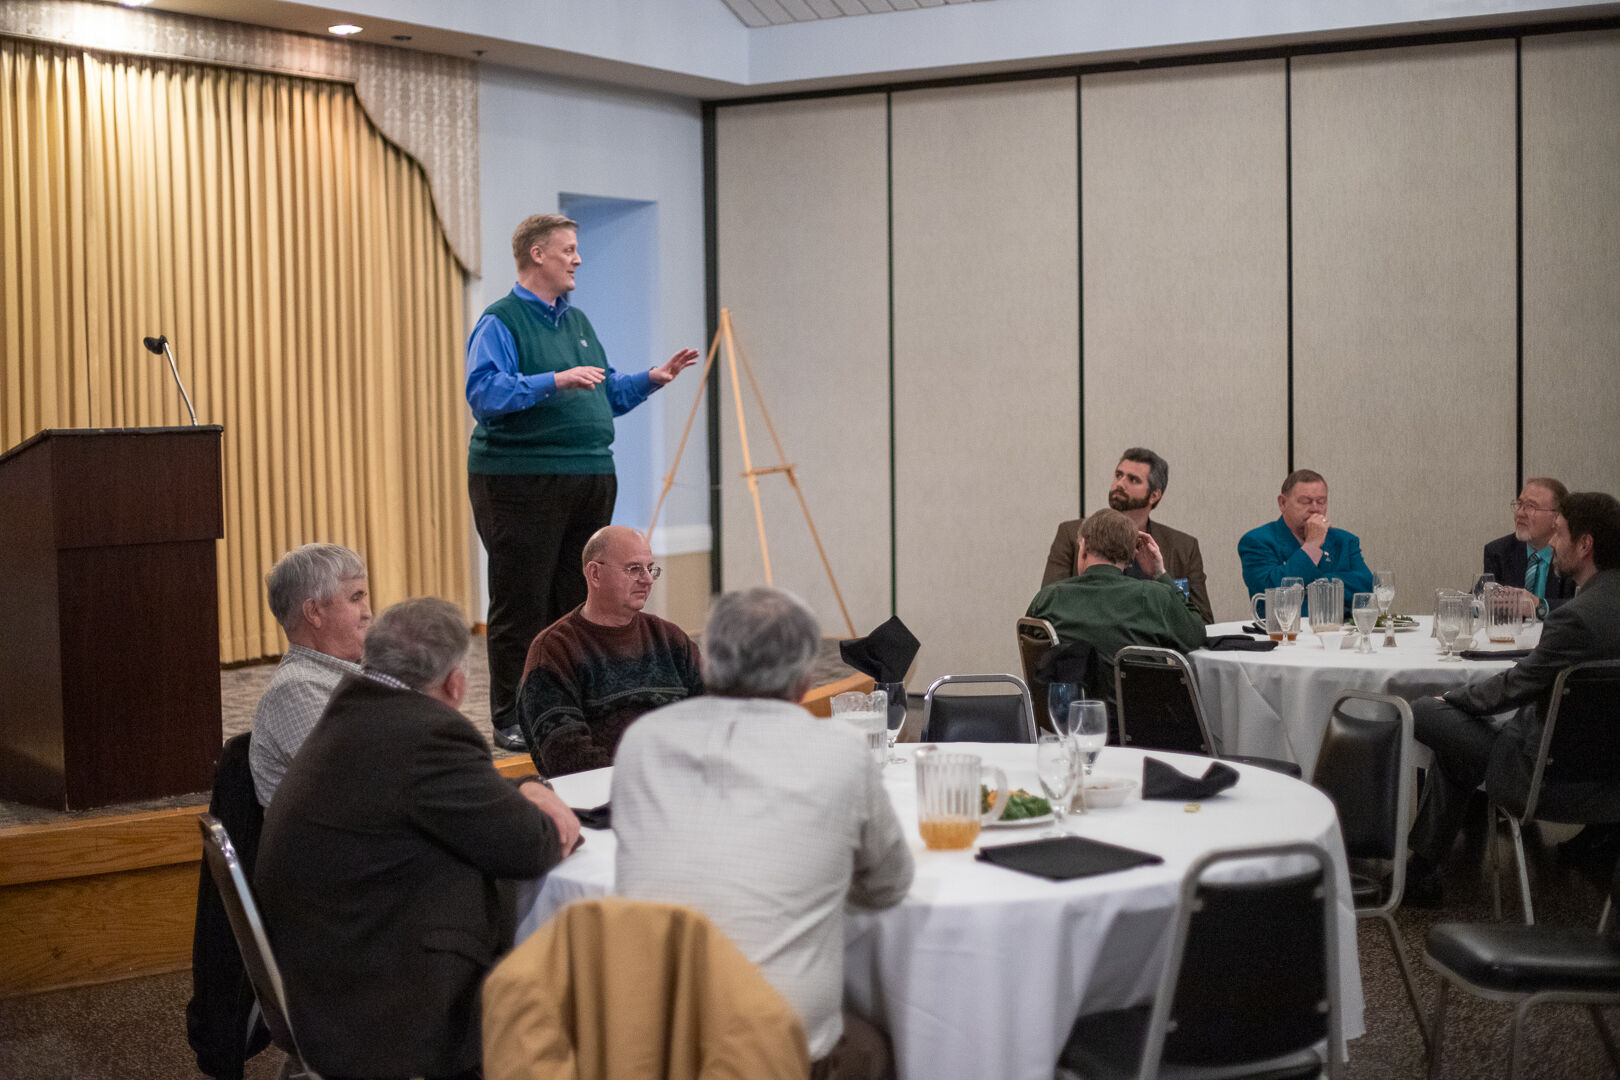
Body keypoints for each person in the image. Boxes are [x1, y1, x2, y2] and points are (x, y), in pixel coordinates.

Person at [256, 598, 580, 1080]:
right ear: (455, 683)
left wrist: (521, 789)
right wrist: (539, 792)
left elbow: (463, 798)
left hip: (326, 965)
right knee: (572, 981)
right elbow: (533, 845)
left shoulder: (356, 708)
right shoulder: (426, 733)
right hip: (380, 998)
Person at [612, 587, 914, 1078]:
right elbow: (890, 885)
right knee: (887, 1043)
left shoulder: (643, 742)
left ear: (708, 664)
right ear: (805, 678)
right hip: (775, 1055)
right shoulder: (840, 752)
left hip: (650, 1047)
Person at [466, 213, 700, 753]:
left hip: (589, 473)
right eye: (568, 249)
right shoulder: (500, 320)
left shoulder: (579, 322)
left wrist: (650, 380)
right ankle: (512, 715)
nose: (578, 259)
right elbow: (485, 393)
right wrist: (553, 380)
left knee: (577, 597)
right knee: (523, 600)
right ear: (537, 254)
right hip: (521, 479)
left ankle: (566, 705)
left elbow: (604, 392)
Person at [1405, 492, 1620, 907]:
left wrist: (1451, 697)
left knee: (1425, 711)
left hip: (1547, 779)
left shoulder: (1574, 618)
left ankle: (1421, 870)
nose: (1551, 543)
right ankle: (1421, 870)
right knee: (1459, 742)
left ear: (1585, 545)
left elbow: (1515, 687)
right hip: (1611, 778)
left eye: (1559, 534)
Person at [518, 525, 703, 777]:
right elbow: (566, 756)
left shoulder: (670, 639)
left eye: (650, 569)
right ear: (594, 574)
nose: (647, 579)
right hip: (606, 793)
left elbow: (715, 712)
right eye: (634, 569)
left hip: (684, 781)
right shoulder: (555, 650)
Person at [1027, 508, 1206, 703]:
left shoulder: (1049, 598)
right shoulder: (1154, 596)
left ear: (1083, 546)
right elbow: (1195, 634)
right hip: (1140, 717)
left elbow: (1033, 656)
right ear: (1131, 556)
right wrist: (1160, 573)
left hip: (1070, 716)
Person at [248, 543, 371, 806]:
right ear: (314, 612)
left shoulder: (357, 674)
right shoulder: (297, 690)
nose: (367, 612)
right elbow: (356, 787)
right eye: (355, 598)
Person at [1042, 447, 1213, 622]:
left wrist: (1160, 575)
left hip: (1156, 637)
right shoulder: (1072, 534)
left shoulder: (1183, 547)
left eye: (1133, 479)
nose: (1120, 484)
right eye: (1118, 475)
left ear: (1154, 495)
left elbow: (1203, 621)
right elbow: (1049, 607)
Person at [1238, 468, 1374, 601]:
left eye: (1321, 501)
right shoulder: (1257, 541)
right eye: (1305, 501)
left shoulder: (1344, 540)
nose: (1315, 508)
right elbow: (1271, 591)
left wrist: (1318, 585)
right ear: (1283, 503)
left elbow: (1366, 587)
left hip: (1339, 617)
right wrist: (1312, 545)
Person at [1484, 477, 1578, 617]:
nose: (1520, 513)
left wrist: (1539, 606)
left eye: (1531, 506)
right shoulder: (1499, 551)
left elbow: (1584, 605)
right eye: (1519, 504)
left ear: (1557, 516)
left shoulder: (1573, 554)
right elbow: (1482, 599)